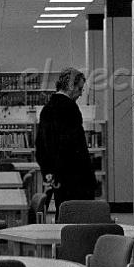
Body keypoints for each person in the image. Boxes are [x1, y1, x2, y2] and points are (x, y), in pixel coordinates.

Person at [35, 67, 97, 210]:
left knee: (63, 214)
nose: (81, 94)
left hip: (58, 178)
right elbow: (77, 147)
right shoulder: (70, 109)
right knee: (80, 220)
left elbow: (41, 146)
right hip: (76, 177)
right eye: (80, 89)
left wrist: (49, 173)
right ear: (70, 86)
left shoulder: (47, 109)